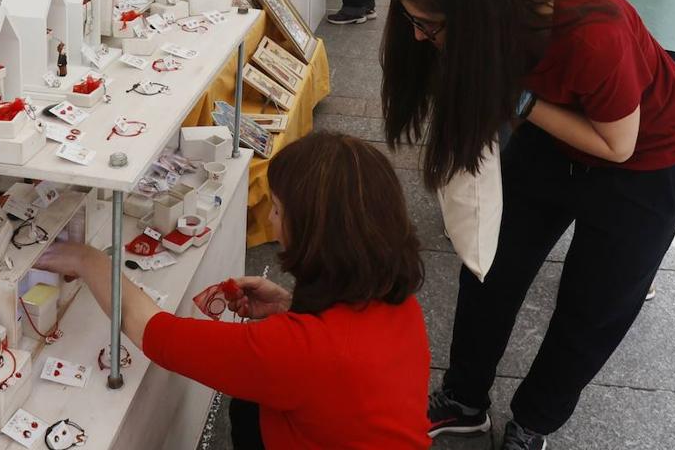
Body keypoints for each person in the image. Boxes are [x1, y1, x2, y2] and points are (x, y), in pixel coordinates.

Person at [382, 0, 675, 450]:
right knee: (492, 264)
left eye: (431, 27)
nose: (419, 37)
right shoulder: (489, 7)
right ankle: (464, 400)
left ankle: (534, 422)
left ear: (480, 14)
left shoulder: (592, 29)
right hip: (557, 136)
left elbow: (618, 145)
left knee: (594, 303)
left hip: (647, 158)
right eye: (413, 21)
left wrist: (520, 102)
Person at [37, 132, 430, 450]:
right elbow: (343, 367)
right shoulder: (400, 301)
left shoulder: (296, 353)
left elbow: (155, 333)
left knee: (245, 408)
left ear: (315, 236)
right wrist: (290, 309)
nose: (271, 222)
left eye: (276, 209)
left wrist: (87, 260)